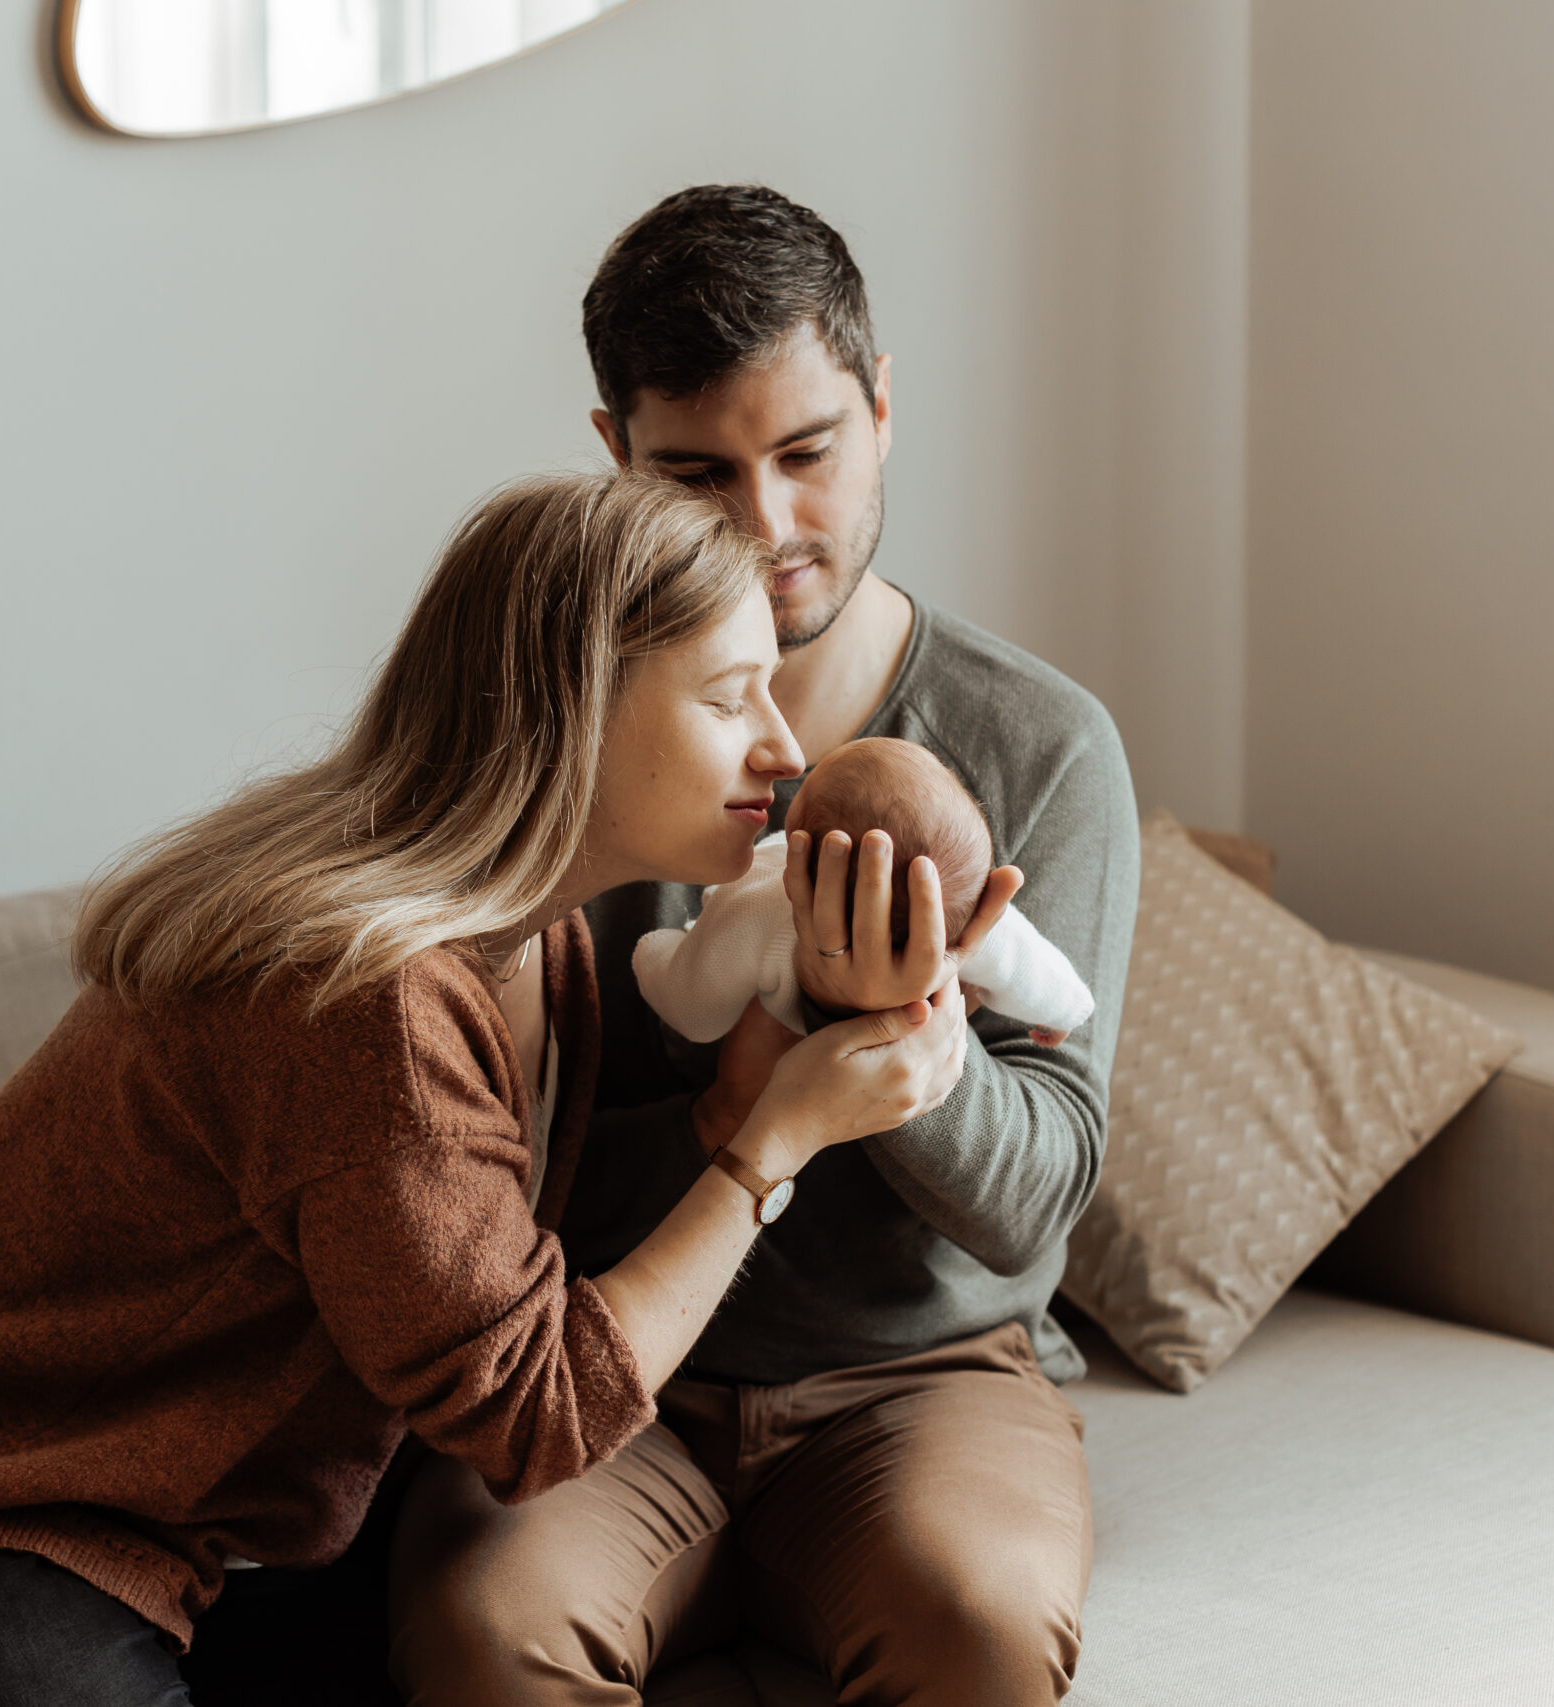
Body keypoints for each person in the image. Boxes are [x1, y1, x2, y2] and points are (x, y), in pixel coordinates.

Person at [0, 470, 997, 1707]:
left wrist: (784, 1060)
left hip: (221, 1546)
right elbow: (536, 1415)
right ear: (574, 711)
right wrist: (775, 1145)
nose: (782, 746)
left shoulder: (536, 940)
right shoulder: (368, 998)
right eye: (729, 697)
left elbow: (474, 1303)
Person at [390, 186, 1141, 1705]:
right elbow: (495, 1173)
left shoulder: (1037, 744)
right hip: (608, 1366)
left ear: (880, 413)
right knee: (486, 1630)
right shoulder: (557, 750)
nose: (764, 525)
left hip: (926, 1379)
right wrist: (758, 1095)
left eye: (808, 453)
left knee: (981, 1626)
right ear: (613, 457)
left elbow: (1038, 1206)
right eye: (694, 472)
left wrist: (910, 1049)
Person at [632, 735, 1096, 1046]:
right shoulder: (968, 921)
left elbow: (694, 1012)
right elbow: (1036, 971)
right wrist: (1066, 1014)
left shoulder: (757, 901)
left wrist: (656, 950)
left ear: (794, 830)